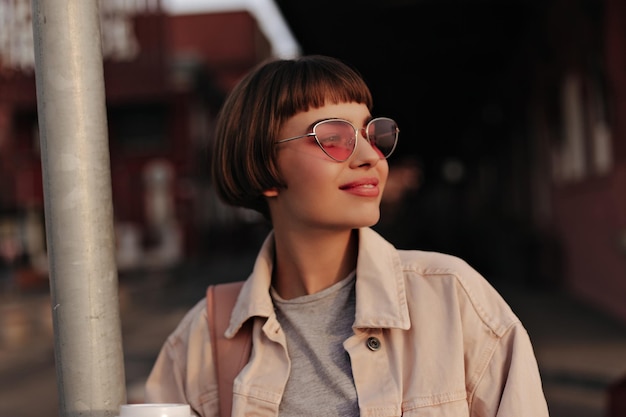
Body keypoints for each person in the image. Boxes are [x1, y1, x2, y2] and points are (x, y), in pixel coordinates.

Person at [144, 55, 549, 416]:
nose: (370, 156)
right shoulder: (203, 342)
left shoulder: (451, 298)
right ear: (264, 165)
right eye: (333, 138)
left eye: (373, 135)